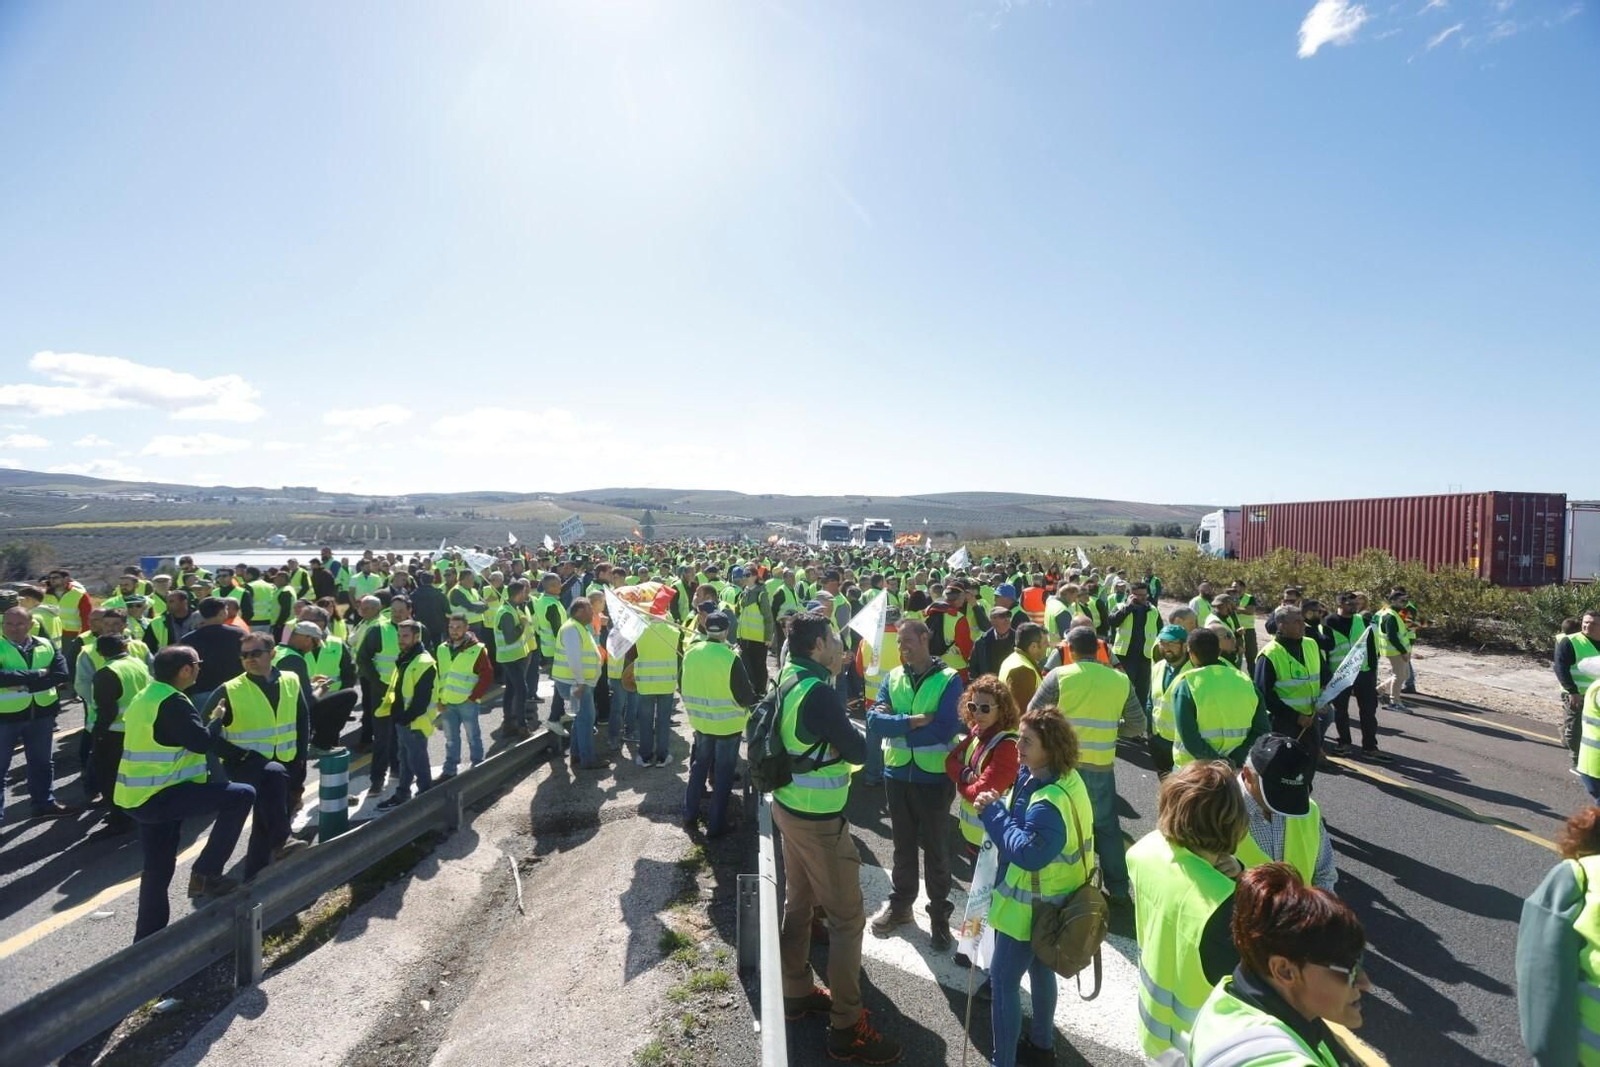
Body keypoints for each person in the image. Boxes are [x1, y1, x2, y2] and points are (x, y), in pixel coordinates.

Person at [772, 613, 899, 1064]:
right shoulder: (820, 692)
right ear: (817, 646)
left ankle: (795, 991)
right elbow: (859, 752)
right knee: (846, 922)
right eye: (836, 642)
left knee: (799, 904)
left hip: (787, 807)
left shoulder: (788, 675)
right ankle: (847, 1027)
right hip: (819, 820)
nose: (843, 650)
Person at [974, 708, 1095, 1067]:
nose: (1018, 747)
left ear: (1050, 747)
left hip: (1028, 908)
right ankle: (1042, 1044)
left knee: (1003, 983)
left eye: (1027, 741)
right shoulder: (1059, 778)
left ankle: (1003, 1062)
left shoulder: (1048, 803)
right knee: (1042, 970)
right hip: (1057, 902)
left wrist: (992, 814)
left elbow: (1028, 854)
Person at [116, 645, 260, 939]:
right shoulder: (174, 703)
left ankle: (147, 939)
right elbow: (201, 743)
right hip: (163, 795)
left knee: (158, 869)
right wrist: (217, 718)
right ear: (185, 670)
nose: (199, 669)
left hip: (137, 797)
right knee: (243, 794)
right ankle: (206, 872)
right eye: (198, 664)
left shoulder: (147, 695)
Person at [1187, 863, 1369, 1067]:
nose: (1364, 983)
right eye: (1349, 970)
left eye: (1359, 962)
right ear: (1285, 971)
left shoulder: (1229, 998)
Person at [1127, 760, 1251, 1060]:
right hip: (1202, 1047)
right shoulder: (1224, 905)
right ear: (1231, 821)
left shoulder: (1145, 850)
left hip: (1154, 1030)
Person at [866, 618, 964, 949]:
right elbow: (874, 721)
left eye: (907, 640)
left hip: (933, 778)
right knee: (902, 847)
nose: (901, 647)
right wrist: (912, 721)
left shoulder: (950, 679)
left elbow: (946, 728)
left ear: (925, 638)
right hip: (896, 775)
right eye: (898, 643)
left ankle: (939, 917)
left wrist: (898, 726)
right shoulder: (893, 677)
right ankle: (901, 906)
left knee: (937, 851)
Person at [1029, 626, 1143, 902]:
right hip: (1101, 767)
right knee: (1106, 828)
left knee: (1062, 825)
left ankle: (1061, 885)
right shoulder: (1120, 680)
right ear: (1098, 649)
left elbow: (1032, 715)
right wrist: (1111, 731)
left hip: (1062, 766)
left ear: (1070, 648)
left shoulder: (1060, 676)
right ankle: (1117, 889)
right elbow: (1138, 725)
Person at [210, 631, 311, 877]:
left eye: (256, 653)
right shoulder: (229, 690)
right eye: (244, 655)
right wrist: (237, 755)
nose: (249, 659)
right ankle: (276, 850)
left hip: (285, 760)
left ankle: (255, 877)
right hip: (246, 765)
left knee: (267, 819)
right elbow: (205, 735)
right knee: (271, 813)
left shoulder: (290, 679)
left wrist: (300, 754)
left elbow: (302, 718)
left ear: (273, 653)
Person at [681, 611, 759, 837]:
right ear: (726, 631)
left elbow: (682, 683)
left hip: (701, 722)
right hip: (727, 726)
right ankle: (716, 825)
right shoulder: (730, 658)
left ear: (706, 628)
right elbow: (745, 696)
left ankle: (689, 814)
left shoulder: (691, 653)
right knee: (723, 775)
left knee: (699, 767)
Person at [0, 605, 73, 829]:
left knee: (42, 763)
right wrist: (37, 675)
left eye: (19, 624)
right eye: (8, 624)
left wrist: (23, 684)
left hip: (41, 714)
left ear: (31, 625)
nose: (13, 628)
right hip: (5, 717)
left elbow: (62, 674)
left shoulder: (46, 645)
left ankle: (44, 804)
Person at [1235, 736, 1337, 892]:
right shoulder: (1216, 813)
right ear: (1248, 774)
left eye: (1293, 793)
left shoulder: (1310, 810)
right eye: (1277, 792)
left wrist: (1319, 911)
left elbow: (1325, 873)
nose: (1286, 802)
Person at [1254, 606, 1332, 781]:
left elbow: (1325, 675)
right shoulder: (1269, 655)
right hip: (1284, 724)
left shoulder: (1311, 644)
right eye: (1296, 622)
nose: (1302, 625)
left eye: (1302, 620)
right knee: (1283, 771)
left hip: (1311, 720)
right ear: (1281, 625)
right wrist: (1295, 716)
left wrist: (1324, 697)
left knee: (1308, 767)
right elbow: (1264, 696)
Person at [1173, 629, 1270, 769]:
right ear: (1219, 652)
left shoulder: (1187, 684)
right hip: (1236, 769)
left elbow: (1189, 737)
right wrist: (1234, 759)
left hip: (1194, 770)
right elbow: (1262, 730)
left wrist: (1219, 762)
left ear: (1191, 654)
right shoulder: (1246, 682)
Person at [89, 631, 151, 832]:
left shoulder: (106, 672)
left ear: (99, 652)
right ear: (125, 647)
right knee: (132, 776)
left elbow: (108, 709)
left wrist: (98, 732)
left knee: (109, 777)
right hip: (138, 729)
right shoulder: (138, 664)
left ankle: (119, 818)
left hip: (114, 733)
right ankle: (134, 811)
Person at [376, 619, 438, 808]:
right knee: (405, 759)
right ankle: (403, 793)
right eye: (399, 636)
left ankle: (426, 799)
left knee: (417, 760)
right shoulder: (406, 657)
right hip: (404, 720)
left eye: (405, 636)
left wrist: (405, 718)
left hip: (414, 721)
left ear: (416, 636)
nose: (400, 640)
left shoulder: (423, 662)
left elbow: (422, 699)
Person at [1322, 591, 1386, 761]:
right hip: (1340, 674)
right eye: (1350, 603)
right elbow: (1325, 650)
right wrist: (1326, 676)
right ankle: (1345, 743)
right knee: (1341, 711)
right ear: (1340, 604)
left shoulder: (1363, 621)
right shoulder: (1329, 622)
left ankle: (1370, 747)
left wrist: (1372, 670)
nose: (1354, 606)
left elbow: (1372, 647)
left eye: (1355, 603)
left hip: (1363, 672)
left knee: (1368, 711)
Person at [435, 613, 495, 778]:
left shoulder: (477, 649)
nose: (454, 631)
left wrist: (473, 696)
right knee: (451, 739)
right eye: (451, 627)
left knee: (473, 736)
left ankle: (477, 766)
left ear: (467, 628)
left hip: (467, 701)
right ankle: (449, 771)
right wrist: (438, 699)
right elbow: (439, 675)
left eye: (458, 627)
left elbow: (487, 674)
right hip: (447, 701)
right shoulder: (442, 649)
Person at [553, 597, 607, 771]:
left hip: (579, 682)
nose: (593, 612)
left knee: (582, 718)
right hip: (575, 683)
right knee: (586, 718)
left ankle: (577, 754)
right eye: (590, 609)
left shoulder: (578, 627)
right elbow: (573, 658)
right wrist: (580, 682)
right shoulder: (571, 629)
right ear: (580, 611)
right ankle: (588, 759)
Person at [626, 605, 679, 768]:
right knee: (663, 721)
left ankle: (645, 755)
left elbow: (631, 656)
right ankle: (663, 756)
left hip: (646, 683)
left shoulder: (639, 631)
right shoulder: (675, 631)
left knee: (645, 721)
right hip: (666, 683)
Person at [179, 596, 245, 714]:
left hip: (201, 693)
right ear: (221, 612)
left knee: (205, 729)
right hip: (235, 691)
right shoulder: (239, 634)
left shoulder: (188, 639)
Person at [491, 579, 538, 740]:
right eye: (525, 592)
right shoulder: (506, 612)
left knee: (511, 690)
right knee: (521, 689)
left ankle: (508, 723)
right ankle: (521, 725)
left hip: (517, 656)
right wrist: (522, 625)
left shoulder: (515, 608)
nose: (528, 594)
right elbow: (510, 638)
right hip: (509, 658)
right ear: (519, 594)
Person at [1149, 624, 1195, 778]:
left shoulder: (1194, 671)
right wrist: (1150, 733)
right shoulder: (1158, 667)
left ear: (1185, 645)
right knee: (1164, 785)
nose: (1167, 648)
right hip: (1159, 741)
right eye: (1163, 643)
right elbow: (1151, 701)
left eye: (1172, 643)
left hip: (1182, 744)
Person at [1556, 610, 1600, 772]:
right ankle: (1577, 761)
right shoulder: (1571, 641)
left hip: (1597, 695)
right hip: (1577, 694)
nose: (1588, 625)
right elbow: (1561, 668)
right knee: (1576, 728)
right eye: (1586, 622)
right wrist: (1571, 691)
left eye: (1593, 623)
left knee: (1594, 728)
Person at [1107, 580, 1160, 708]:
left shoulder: (1152, 610)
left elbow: (1160, 630)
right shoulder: (1121, 607)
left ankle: (1140, 721)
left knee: (1142, 692)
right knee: (1124, 689)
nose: (1142, 598)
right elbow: (1112, 622)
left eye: (1144, 595)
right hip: (1125, 657)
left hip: (1145, 657)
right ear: (1130, 594)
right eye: (1138, 595)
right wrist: (1128, 607)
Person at [732, 565, 774, 693]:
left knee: (759, 666)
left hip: (758, 638)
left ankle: (761, 691)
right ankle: (751, 691)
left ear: (755, 576)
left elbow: (768, 617)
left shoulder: (761, 594)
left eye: (747, 575)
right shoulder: (744, 593)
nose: (744, 578)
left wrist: (768, 637)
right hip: (744, 638)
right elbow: (738, 613)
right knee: (746, 666)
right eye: (743, 575)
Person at [1375, 591, 1415, 711]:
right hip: (1395, 651)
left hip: (1400, 650)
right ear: (1393, 601)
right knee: (1399, 676)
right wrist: (1403, 651)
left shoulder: (1395, 614)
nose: (1405, 603)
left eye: (1406, 601)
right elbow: (1392, 636)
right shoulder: (1390, 616)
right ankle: (1395, 702)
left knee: (1405, 675)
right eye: (1402, 601)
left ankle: (1379, 690)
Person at [997, 622, 1048, 713]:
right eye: (1045, 643)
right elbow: (1024, 714)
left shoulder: (1011, 659)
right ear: (1033, 646)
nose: (1048, 646)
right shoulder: (1022, 671)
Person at [968, 603, 1017, 680]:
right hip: (989, 687)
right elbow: (973, 669)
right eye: (1002, 616)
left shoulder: (1019, 640)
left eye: (1008, 616)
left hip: (1011, 685)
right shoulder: (981, 642)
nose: (1006, 619)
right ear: (992, 620)